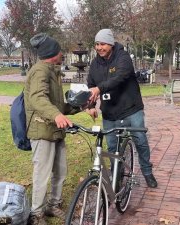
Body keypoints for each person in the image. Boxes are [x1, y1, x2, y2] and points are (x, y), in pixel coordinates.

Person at [86, 28, 158, 188]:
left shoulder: (123, 57)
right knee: (112, 147)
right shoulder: (95, 63)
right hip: (110, 112)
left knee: (140, 141)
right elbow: (91, 84)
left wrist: (99, 89)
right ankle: (117, 175)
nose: (99, 48)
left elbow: (120, 77)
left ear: (111, 44)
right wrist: (91, 105)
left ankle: (147, 172)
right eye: (97, 44)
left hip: (131, 108)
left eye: (103, 44)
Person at [24, 33, 81, 225]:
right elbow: (38, 98)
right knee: (42, 173)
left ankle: (53, 204)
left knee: (60, 170)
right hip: (42, 131)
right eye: (59, 50)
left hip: (55, 131)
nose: (62, 53)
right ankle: (36, 214)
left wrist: (81, 107)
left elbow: (58, 106)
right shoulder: (40, 71)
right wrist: (56, 115)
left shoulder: (52, 71)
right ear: (53, 53)